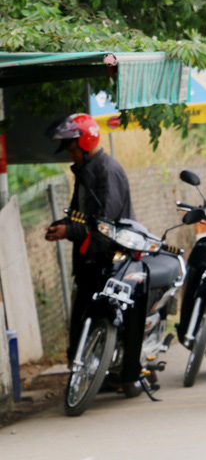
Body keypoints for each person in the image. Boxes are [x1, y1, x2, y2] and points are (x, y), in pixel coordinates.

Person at [44, 114, 137, 378]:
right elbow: (79, 214)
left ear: (85, 143)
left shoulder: (107, 171)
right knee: (80, 325)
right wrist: (62, 225)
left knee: (105, 318)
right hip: (89, 261)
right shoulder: (85, 172)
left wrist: (69, 231)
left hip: (110, 261)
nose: (70, 154)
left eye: (72, 148)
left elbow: (106, 227)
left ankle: (123, 372)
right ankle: (93, 374)